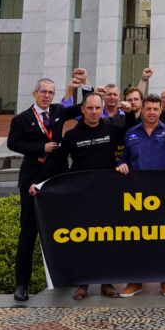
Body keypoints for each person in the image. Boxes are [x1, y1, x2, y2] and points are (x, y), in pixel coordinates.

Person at [37, 91, 125, 300]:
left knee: (106, 239)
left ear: (102, 109)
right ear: (83, 110)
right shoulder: (72, 136)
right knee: (83, 239)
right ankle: (83, 284)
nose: (94, 112)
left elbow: (131, 142)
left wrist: (124, 164)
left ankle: (107, 283)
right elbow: (57, 162)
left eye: (98, 108)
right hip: (81, 196)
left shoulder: (113, 131)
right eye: (90, 108)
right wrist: (39, 183)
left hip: (106, 194)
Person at [6, 77, 81, 302]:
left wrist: (84, 84)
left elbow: (83, 106)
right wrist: (40, 147)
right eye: (43, 92)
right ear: (35, 93)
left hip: (58, 177)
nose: (47, 96)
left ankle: (67, 276)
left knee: (65, 230)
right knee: (28, 233)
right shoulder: (22, 119)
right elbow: (13, 143)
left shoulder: (58, 111)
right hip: (32, 180)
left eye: (50, 92)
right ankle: (22, 285)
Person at [115, 95, 165, 298]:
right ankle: (135, 281)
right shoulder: (131, 133)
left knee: (163, 238)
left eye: (155, 109)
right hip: (137, 195)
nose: (151, 112)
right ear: (143, 109)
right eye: (148, 108)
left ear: (160, 110)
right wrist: (122, 165)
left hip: (162, 194)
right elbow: (124, 158)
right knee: (137, 238)